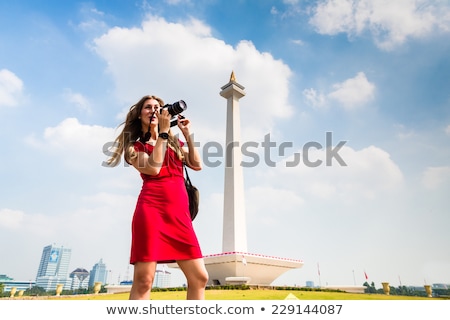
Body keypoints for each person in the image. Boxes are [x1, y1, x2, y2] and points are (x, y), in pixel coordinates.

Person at [107, 95, 208, 300]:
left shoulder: (174, 142)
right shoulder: (134, 147)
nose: (153, 111)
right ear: (139, 115)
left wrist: (187, 135)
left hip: (179, 215)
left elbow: (197, 165)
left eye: (157, 107)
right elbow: (153, 168)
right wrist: (162, 133)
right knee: (144, 281)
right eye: (148, 108)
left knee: (199, 277)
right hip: (151, 212)